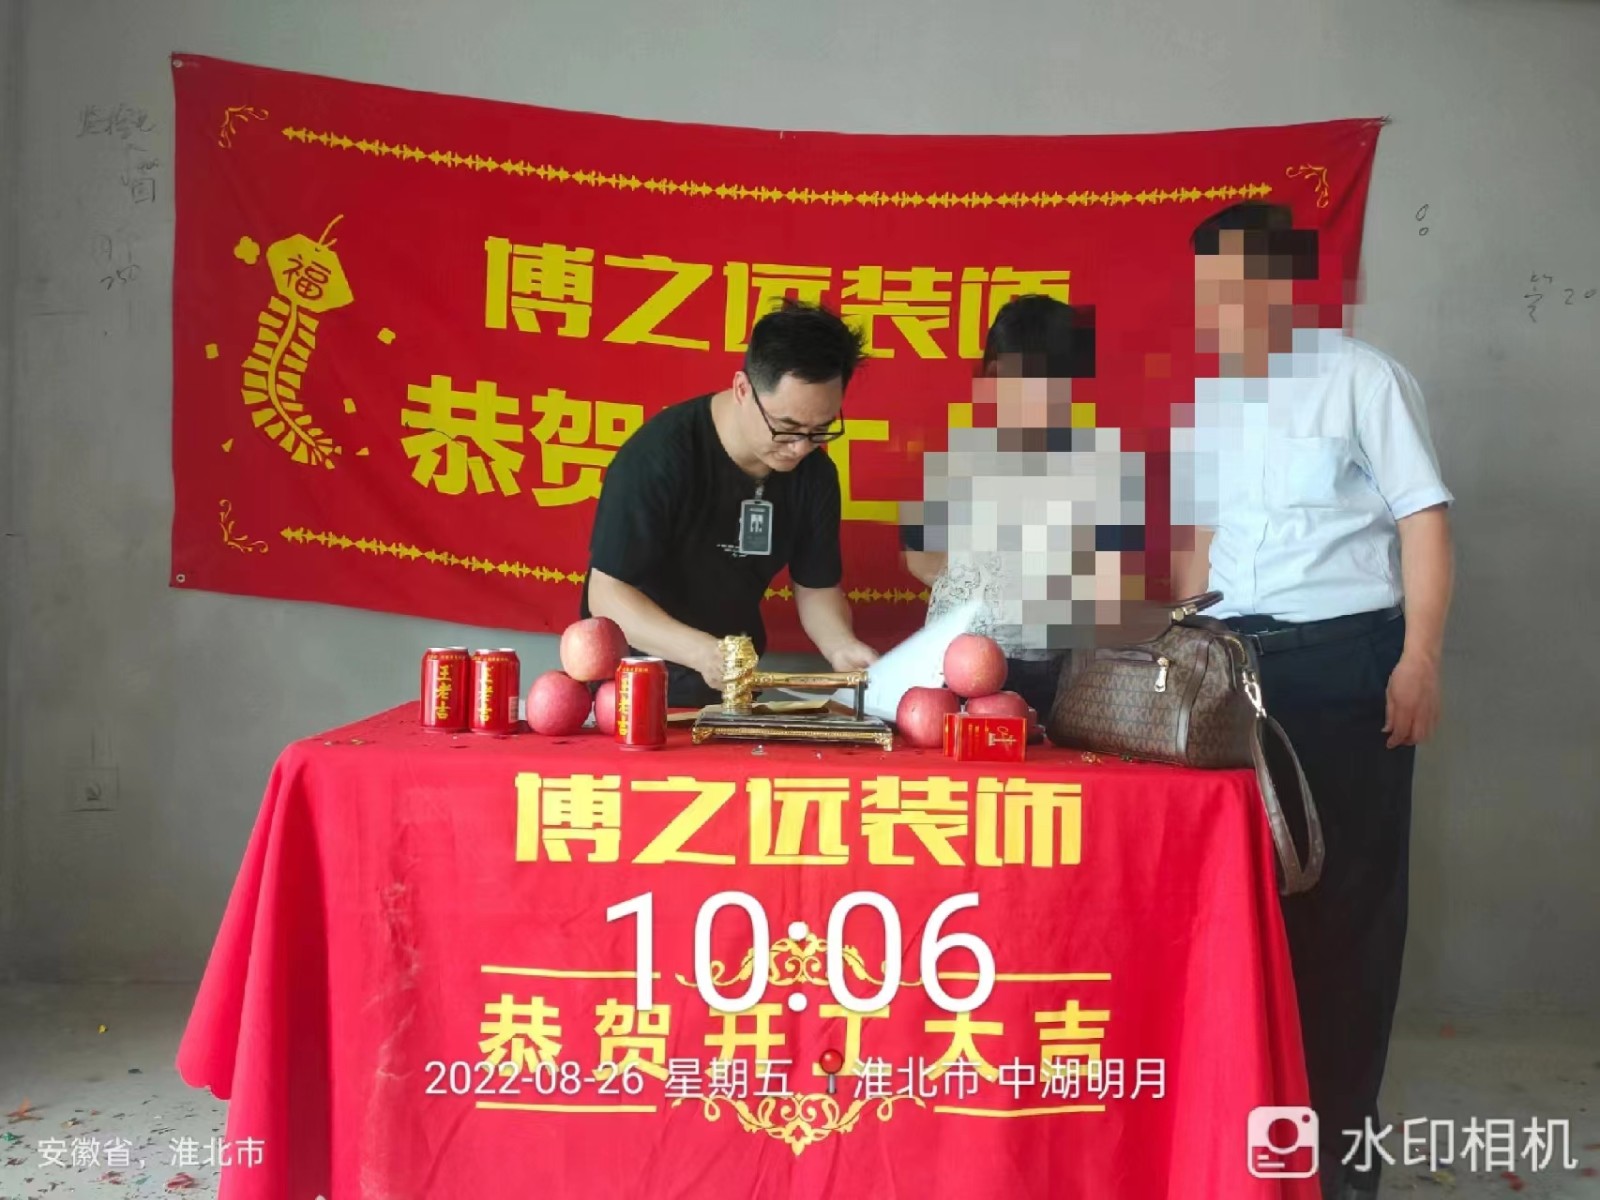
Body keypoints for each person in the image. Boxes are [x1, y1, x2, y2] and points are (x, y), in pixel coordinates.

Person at [1175, 201, 1455, 1200]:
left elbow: (1424, 523)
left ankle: (1338, 1171)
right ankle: (1243, 1154)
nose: (1214, 312)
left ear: (1283, 287)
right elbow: (1202, 544)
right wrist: (1179, 639)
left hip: (1343, 669)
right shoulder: (1212, 399)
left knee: (1346, 923)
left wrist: (1419, 660)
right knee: (1235, 912)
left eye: (1231, 291)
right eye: (1206, 293)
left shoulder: (1363, 381)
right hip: (1231, 673)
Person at [581, 299, 880, 708]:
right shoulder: (660, 457)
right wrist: (702, 652)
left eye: (820, 430)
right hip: (631, 690)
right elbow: (607, 594)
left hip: (730, 692)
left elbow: (816, 587)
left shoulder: (815, 475)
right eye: (786, 427)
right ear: (742, 389)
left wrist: (841, 646)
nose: (800, 448)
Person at [898, 295, 1152, 719]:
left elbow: (1116, 583)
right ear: (993, 375)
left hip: (1058, 678)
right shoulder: (955, 464)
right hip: (953, 671)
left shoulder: (1104, 471)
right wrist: (978, 591)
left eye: (1053, 383)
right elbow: (917, 554)